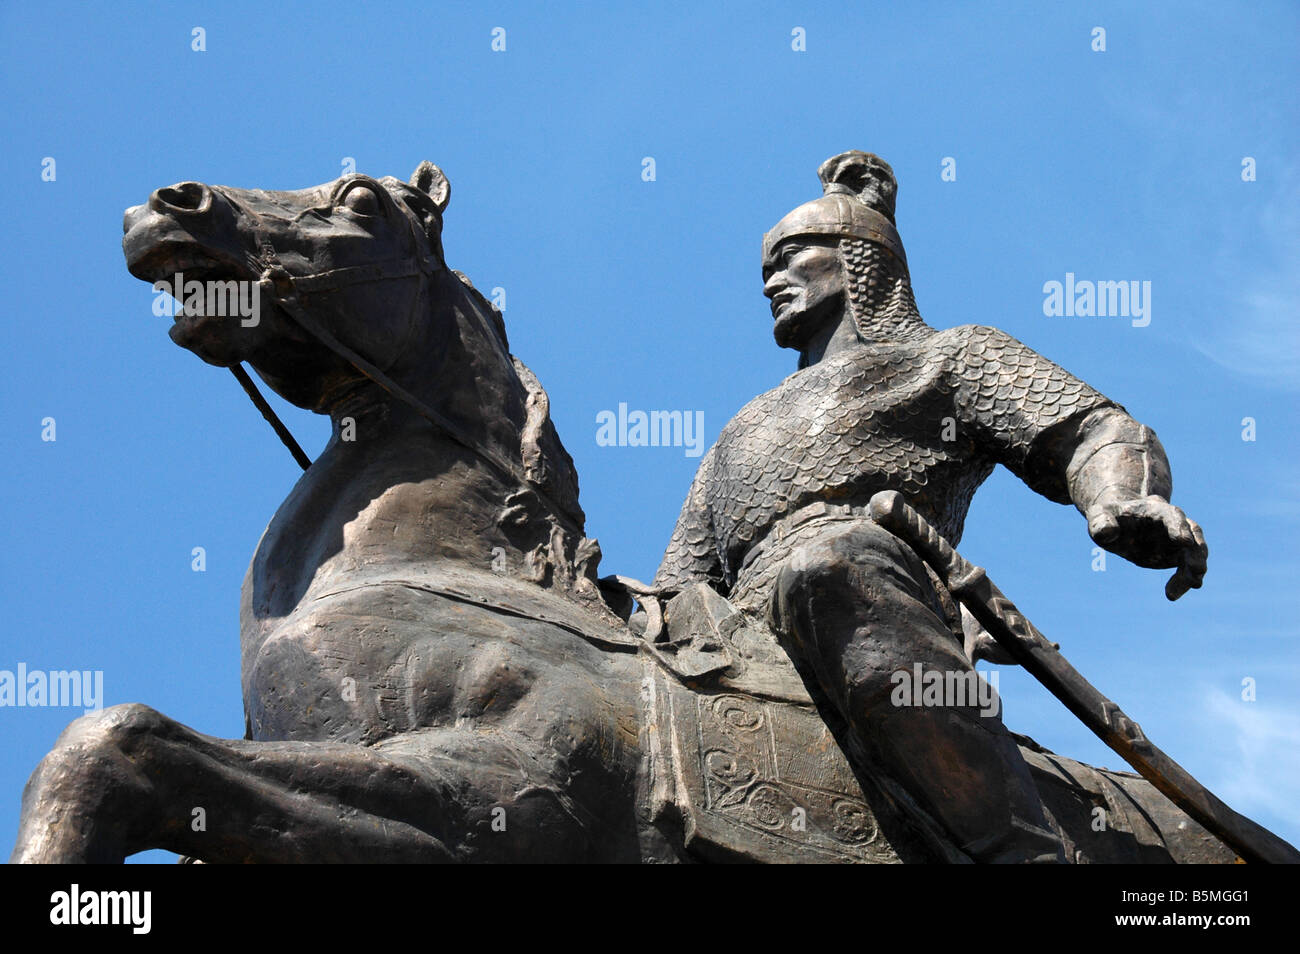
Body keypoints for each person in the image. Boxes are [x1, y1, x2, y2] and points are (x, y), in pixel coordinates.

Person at [650, 151, 1208, 863]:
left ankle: (1021, 851)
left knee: (827, 562)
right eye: (767, 265)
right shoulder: (739, 430)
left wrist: (1123, 498)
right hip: (745, 634)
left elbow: (1095, 431)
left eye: (792, 256)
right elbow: (676, 587)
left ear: (858, 260)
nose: (770, 280)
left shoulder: (948, 360)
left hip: (871, 592)